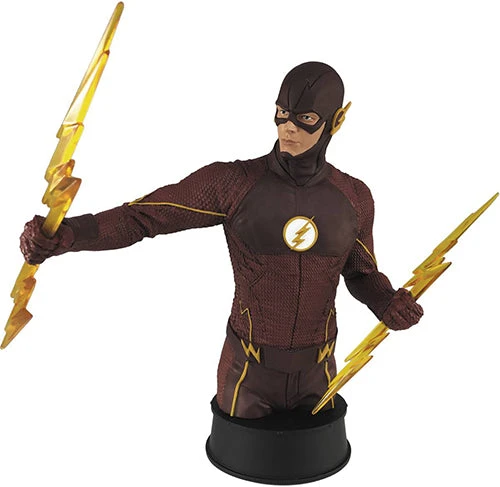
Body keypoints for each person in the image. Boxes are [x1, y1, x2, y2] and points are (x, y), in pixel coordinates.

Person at [20, 61, 423, 419]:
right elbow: (143, 216)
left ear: (337, 121)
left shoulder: (354, 197)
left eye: (306, 118)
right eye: (282, 114)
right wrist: (66, 234)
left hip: (320, 372)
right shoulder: (234, 184)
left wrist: (387, 302)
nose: (289, 128)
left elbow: (361, 273)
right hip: (247, 372)